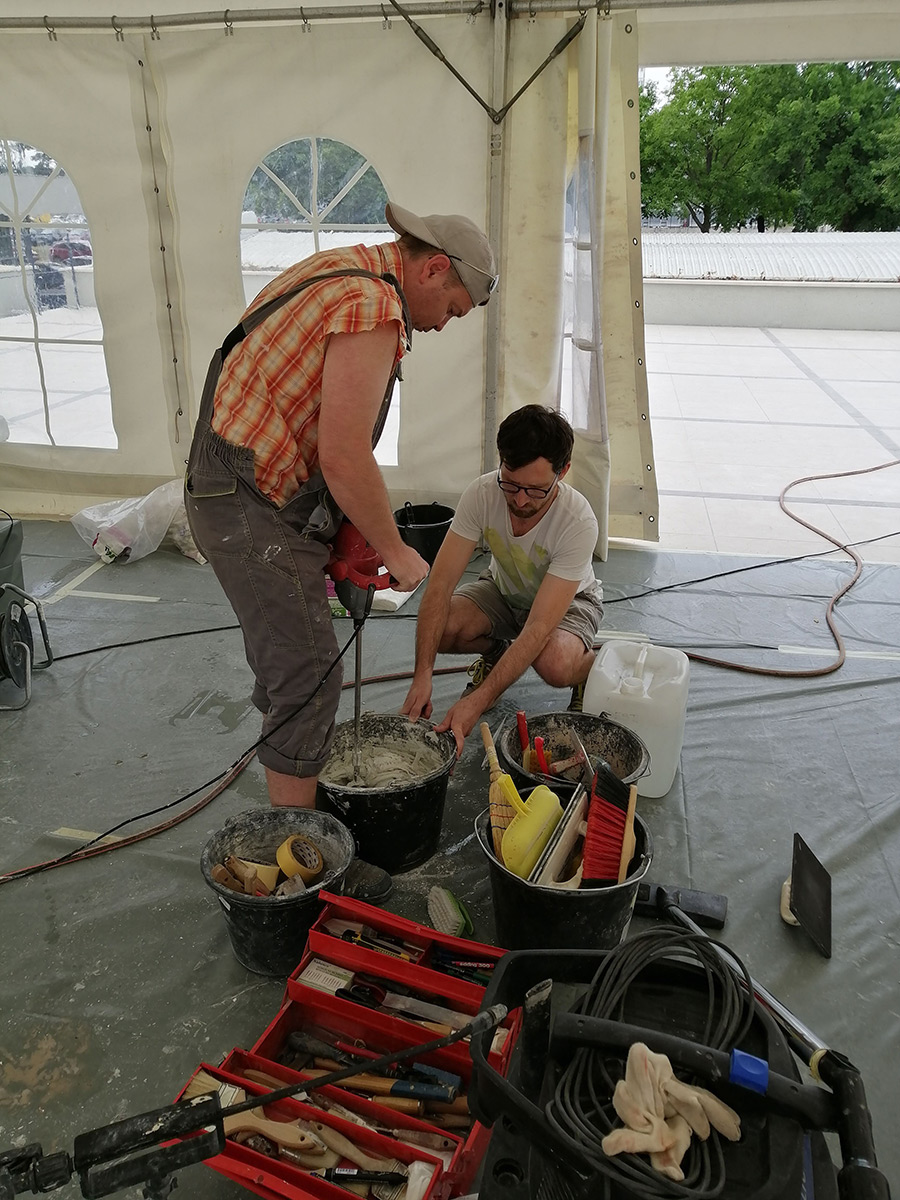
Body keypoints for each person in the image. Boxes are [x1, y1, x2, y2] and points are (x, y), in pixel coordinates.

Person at [185, 202, 497, 899]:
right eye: (452, 308)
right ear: (434, 268)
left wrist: (344, 538)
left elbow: (317, 428)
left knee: (293, 664)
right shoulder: (372, 306)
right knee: (308, 676)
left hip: (254, 489)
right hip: (246, 500)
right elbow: (346, 455)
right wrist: (399, 552)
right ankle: (305, 861)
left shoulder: (345, 270)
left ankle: (296, 812)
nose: (444, 323)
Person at [400, 405, 603, 755]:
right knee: (440, 626)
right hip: (504, 591)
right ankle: (497, 652)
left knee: (554, 663)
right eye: (510, 484)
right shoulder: (481, 493)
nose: (520, 500)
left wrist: (477, 701)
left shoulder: (578, 521)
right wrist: (422, 674)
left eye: (536, 490)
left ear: (563, 472)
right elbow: (440, 586)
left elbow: (539, 627)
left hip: (569, 602)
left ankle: (591, 667)